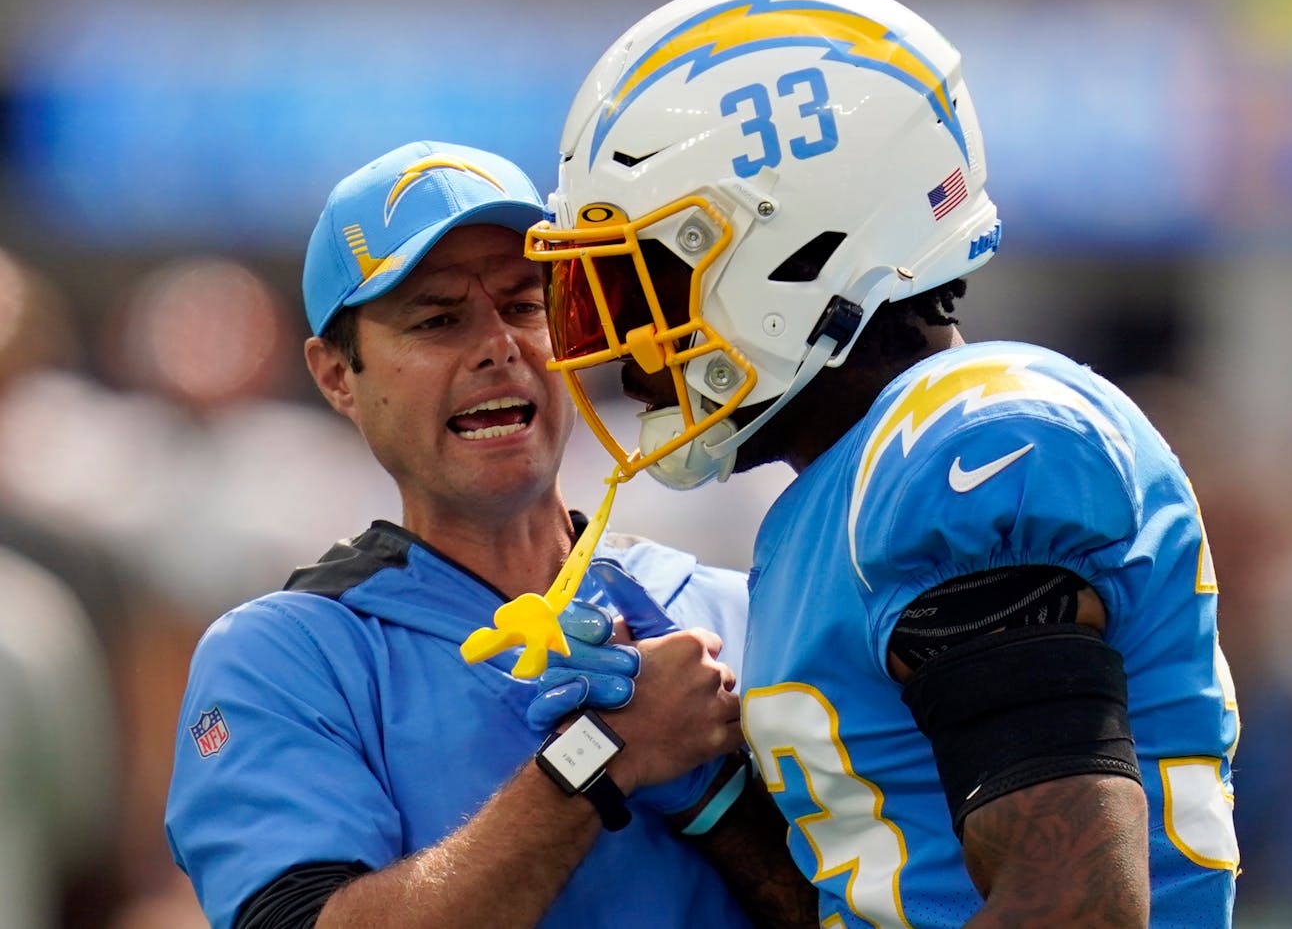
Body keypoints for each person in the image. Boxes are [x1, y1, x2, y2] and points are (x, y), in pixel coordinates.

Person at [511, 0, 1242, 924]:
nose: (624, 352)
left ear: (794, 254)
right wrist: (700, 789)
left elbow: (1075, 906)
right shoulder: (853, 485)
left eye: (647, 282)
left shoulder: (967, 446)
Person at [164, 140, 816, 929]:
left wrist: (720, 799)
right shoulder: (284, 660)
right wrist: (601, 754)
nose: (500, 346)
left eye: (525, 304)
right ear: (337, 374)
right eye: (438, 318)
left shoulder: (736, 608)